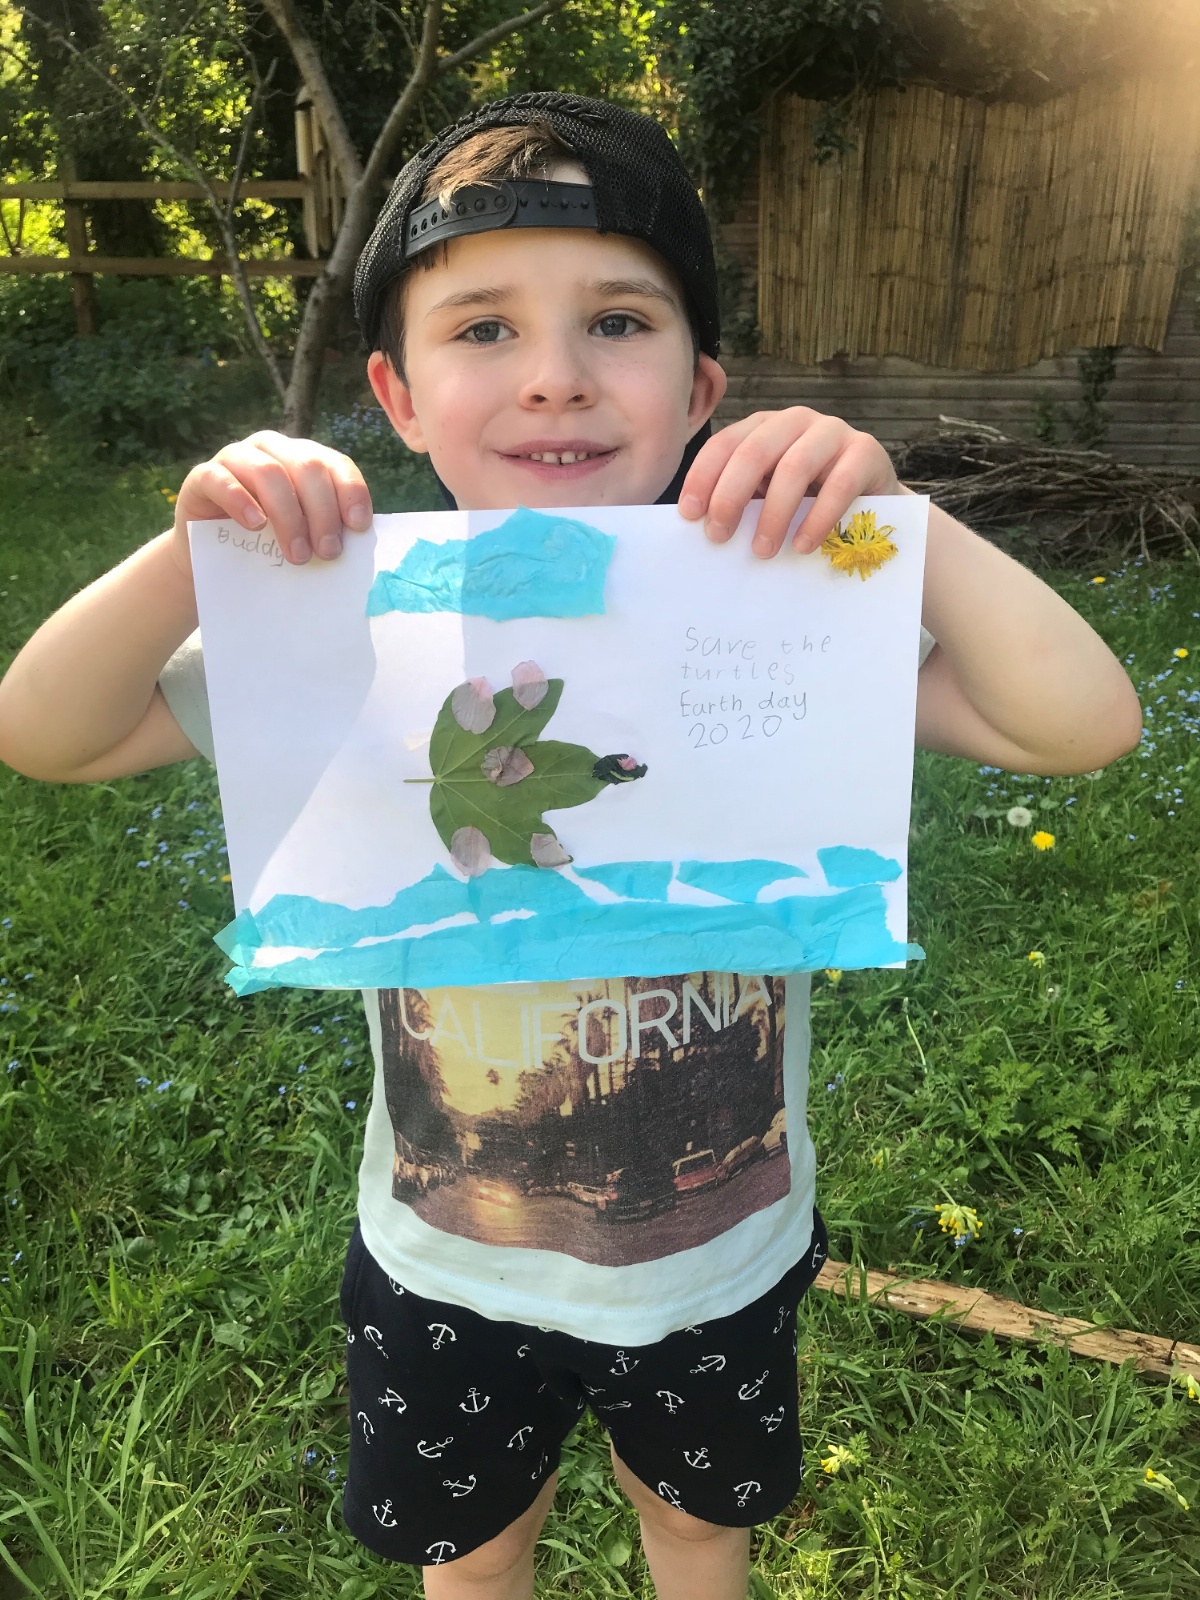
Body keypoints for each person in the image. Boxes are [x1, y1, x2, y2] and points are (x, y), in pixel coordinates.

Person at [0, 92, 1140, 1600]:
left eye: (617, 321)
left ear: (701, 386)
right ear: (398, 396)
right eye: (482, 328)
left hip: (717, 1262)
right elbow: (49, 731)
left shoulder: (780, 616)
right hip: (447, 1263)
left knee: (699, 1531)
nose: (554, 375)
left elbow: (1082, 724)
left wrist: (898, 523)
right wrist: (192, 557)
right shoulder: (348, 632)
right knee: (474, 1560)